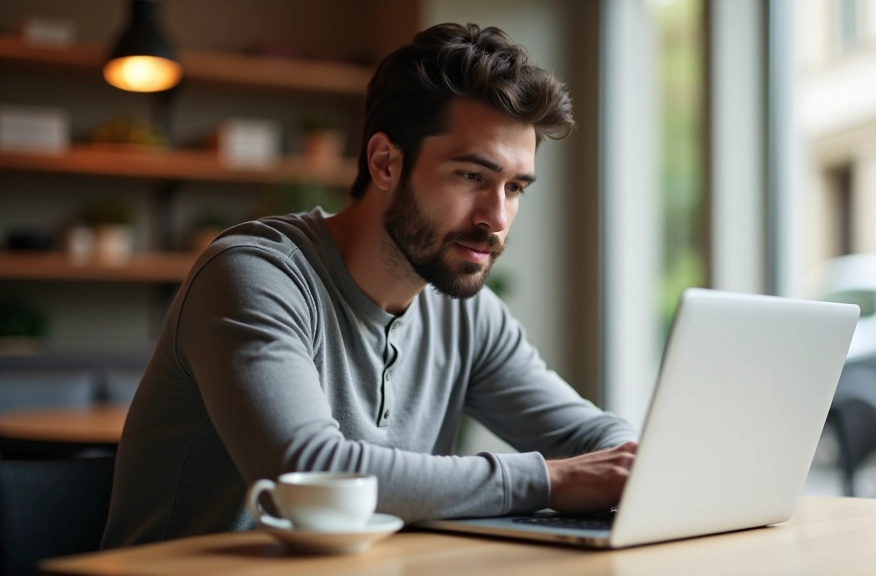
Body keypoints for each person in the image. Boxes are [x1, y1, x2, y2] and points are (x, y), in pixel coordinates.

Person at [102, 23, 637, 548]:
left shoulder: (467, 314)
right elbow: (308, 469)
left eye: (515, 187)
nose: (496, 218)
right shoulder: (254, 275)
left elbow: (590, 438)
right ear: (385, 162)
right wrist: (550, 480)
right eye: (472, 176)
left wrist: (630, 465)